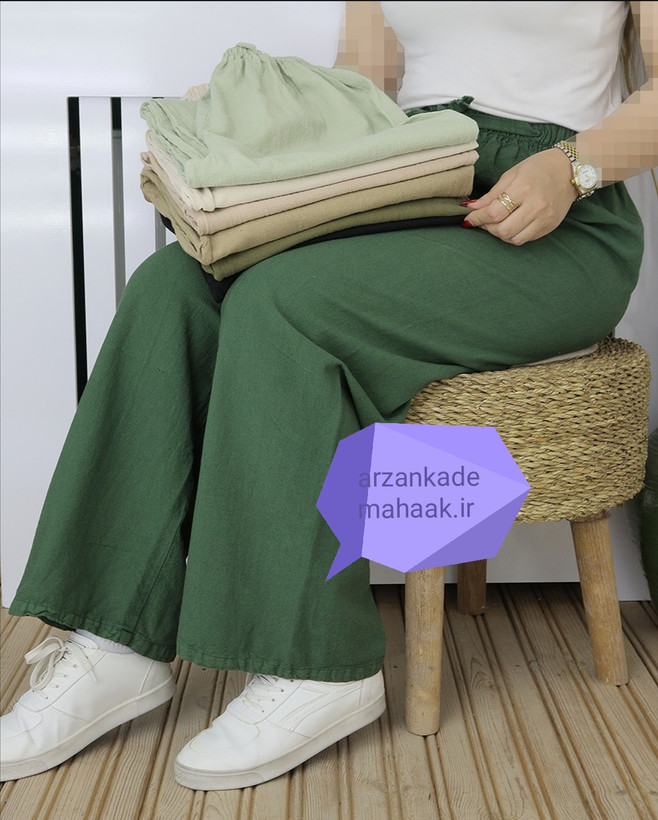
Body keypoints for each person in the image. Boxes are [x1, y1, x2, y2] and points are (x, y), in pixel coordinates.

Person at [1, 0, 656, 792]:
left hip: (562, 213)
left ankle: (315, 665)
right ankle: (113, 641)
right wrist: (257, 129)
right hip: (412, 179)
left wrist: (574, 166)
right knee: (170, 286)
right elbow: (367, 78)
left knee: (284, 304)